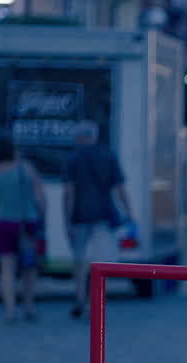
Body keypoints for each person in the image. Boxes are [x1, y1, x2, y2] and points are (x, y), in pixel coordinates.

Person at [63, 120, 131, 318]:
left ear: (80, 138)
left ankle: (79, 299)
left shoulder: (72, 159)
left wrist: (66, 220)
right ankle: (96, 304)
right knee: (100, 263)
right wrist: (129, 214)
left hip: (79, 217)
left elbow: (69, 192)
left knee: (79, 261)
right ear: (93, 137)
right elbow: (119, 189)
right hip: (103, 216)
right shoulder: (108, 157)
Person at [0, 136, 46, 324]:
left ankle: (10, 310)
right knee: (29, 267)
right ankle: (28, 306)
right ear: (13, 151)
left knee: (6, 268)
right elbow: (40, 198)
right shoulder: (27, 170)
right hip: (27, 223)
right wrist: (42, 219)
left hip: (4, 223)